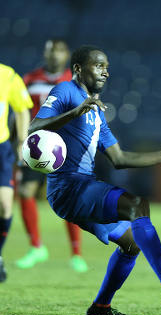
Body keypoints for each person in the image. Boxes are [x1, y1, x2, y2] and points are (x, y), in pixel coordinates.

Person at [28, 45, 161, 315]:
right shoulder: (65, 92)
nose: (105, 71)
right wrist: (74, 113)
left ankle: (101, 306)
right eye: (98, 65)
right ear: (78, 69)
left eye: (106, 67)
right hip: (69, 186)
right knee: (137, 205)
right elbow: (33, 129)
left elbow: (120, 159)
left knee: (132, 243)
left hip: (80, 189)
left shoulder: (97, 113)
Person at [17, 39, 88, 272]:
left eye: (58, 52)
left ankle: (76, 254)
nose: (54, 56)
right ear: (45, 54)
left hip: (63, 149)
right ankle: (36, 247)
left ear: (66, 54)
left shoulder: (75, 81)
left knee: (66, 199)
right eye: (50, 51)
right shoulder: (30, 79)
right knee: (25, 192)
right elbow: (21, 112)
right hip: (35, 147)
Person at [0, 63, 32, 282]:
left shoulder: (7, 75)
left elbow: (22, 109)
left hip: (0, 149)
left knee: (5, 206)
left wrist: (22, 141)